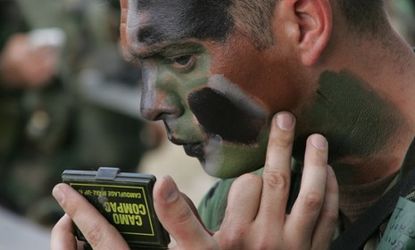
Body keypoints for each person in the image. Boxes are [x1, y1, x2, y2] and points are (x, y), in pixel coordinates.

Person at [51, 0, 415, 249]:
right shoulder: (246, 208)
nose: (150, 106)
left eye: (180, 59)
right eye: (140, 67)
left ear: (305, 24)